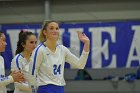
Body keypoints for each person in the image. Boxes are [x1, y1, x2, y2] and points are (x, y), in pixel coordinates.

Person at [29, 21, 90, 93]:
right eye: (51, 28)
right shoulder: (39, 50)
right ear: (45, 32)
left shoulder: (63, 49)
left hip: (60, 88)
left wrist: (87, 43)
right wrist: (33, 90)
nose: (55, 31)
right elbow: (32, 74)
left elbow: (80, 65)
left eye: (57, 28)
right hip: (45, 88)